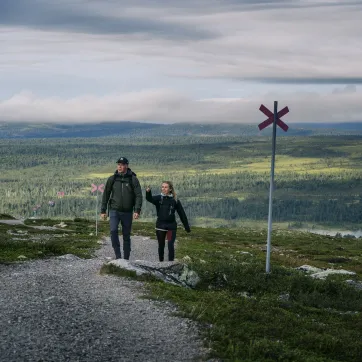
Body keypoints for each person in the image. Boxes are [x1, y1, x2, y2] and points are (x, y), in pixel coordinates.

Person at [101, 157, 142, 260]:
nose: (120, 166)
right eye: (118, 164)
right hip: (114, 210)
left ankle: (126, 259)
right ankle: (118, 256)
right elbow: (106, 195)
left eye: (122, 164)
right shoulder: (112, 179)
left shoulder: (133, 179)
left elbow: (138, 195)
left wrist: (137, 210)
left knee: (126, 235)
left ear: (126, 166)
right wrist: (103, 210)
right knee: (113, 231)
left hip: (128, 212)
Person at [146, 181, 190, 262]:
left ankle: (170, 263)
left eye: (166, 187)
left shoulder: (175, 200)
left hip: (171, 227)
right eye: (162, 187)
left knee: (170, 245)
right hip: (160, 227)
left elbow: (182, 214)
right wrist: (148, 192)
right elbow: (149, 199)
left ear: (170, 189)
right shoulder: (159, 198)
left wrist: (186, 227)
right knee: (161, 245)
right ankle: (161, 263)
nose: (164, 189)